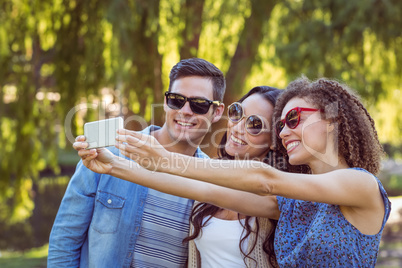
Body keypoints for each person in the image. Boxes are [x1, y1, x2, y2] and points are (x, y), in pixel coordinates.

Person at [113, 76, 391, 267]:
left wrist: (165, 160)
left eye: (294, 118)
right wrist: (115, 166)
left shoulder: (361, 185)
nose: (284, 131)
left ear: (332, 118)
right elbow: (204, 191)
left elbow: (265, 179)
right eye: (280, 124)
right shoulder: (295, 202)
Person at [74, 86, 285, 267]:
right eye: (237, 112)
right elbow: (171, 182)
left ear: (275, 139)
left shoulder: (279, 194)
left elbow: (199, 188)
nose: (238, 127)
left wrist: (161, 158)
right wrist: (113, 163)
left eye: (255, 125)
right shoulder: (212, 171)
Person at [47, 58, 226, 267]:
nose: (185, 111)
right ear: (166, 102)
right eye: (177, 99)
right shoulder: (108, 154)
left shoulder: (211, 180)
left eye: (199, 105)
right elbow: (64, 240)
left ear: (217, 112)